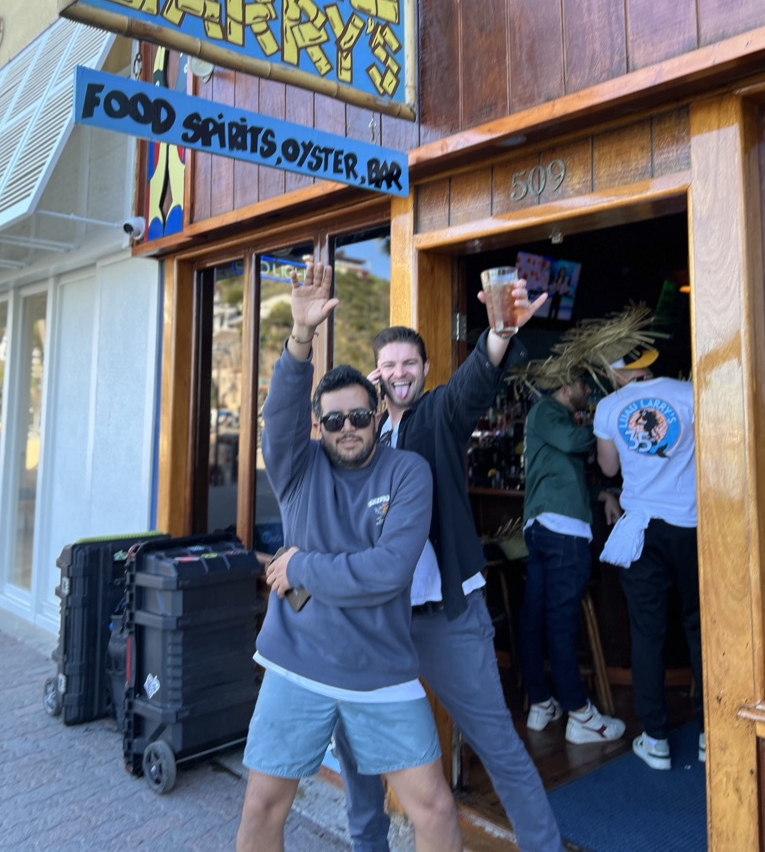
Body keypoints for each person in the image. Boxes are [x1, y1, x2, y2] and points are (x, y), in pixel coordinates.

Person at [236, 261, 463, 852]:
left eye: (359, 415)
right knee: (262, 805)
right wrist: (301, 337)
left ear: (378, 411)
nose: (347, 427)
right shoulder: (297, 468)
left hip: (382, 669)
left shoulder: (408, 471)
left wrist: (302, 566)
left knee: (434, 809)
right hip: (296, 663)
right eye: (332, 419)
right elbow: (277, 416)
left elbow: (389, 572)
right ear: (319, 425)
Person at [334, 274, 566, 852]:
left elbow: (474, 385)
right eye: (388, 365)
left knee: (498, 745)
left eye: (409, 363)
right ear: (376, 373)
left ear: (425, 368)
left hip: (447, 618)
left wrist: (496, 336)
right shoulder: (360, 434)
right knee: (357, 743)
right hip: (379, 620)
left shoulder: (437, 414)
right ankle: (368, 845)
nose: (399, 373)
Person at [593, 346, 702, 771]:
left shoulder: (609, 406)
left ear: (617, 372)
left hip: (642, 526)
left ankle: (655, 738)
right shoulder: (690, 393)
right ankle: (711, 734)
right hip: (691, 523)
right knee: (699, 625)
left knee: (647, 633)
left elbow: (607, 468)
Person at [520, 372, 625, 742]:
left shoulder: (551, 418)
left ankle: (541, 703)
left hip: (545, 527)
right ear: (566, 387)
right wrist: (609, 423)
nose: (588, 393)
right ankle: (580, 715)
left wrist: (604, 496)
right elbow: (573, 443)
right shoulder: (549, 411)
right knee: (560, 624)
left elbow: (566, 474)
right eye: (585, 387)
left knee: (536, 619)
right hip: (563, 532)